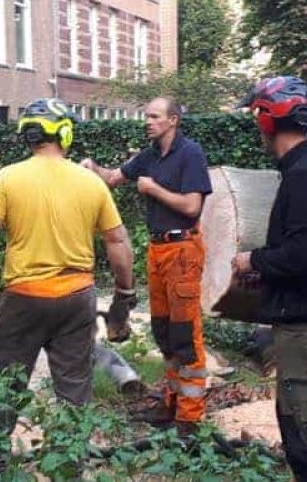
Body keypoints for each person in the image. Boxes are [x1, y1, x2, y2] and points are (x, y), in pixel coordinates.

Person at [0, 98, 136, 448]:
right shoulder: (91, 183)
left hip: (23, 299)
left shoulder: (8, 178)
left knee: (3, 383)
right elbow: (117, 241)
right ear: (65, 133)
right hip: (76, 299)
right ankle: (70, 463)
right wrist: (124, 292)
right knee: (73, 389)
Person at [231, 77, 307, 482]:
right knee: (297, 434)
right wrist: (265, 274)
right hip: (301, 325)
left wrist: (252, 260)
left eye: (258, 115)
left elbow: (305, 255)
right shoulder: (303, 170)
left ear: (269, 119)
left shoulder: (306, 176)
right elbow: (305, 248)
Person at [81, 97, 212, 434]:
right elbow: (112, 178)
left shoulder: (191, 153)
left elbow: (192, 204)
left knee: (185, 333)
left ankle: (190, 418)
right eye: (146, 116)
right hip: (157, 250)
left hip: (183, 248)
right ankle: (171, 404)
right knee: (164, 330)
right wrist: (90, 167)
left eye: (154, 117)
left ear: (173, 120)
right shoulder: (150, 154)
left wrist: (153, 188)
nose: (147, 122)